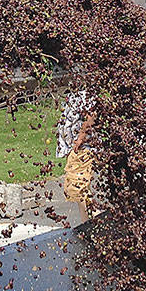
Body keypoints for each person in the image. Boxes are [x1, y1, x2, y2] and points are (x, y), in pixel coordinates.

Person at [56, 92, 95, 222]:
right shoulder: (75, 93)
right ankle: (90, 220)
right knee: (79, 188)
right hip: (75, 147)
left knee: (77, 186)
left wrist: (80, 138)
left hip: (82, 148)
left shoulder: (85, 95)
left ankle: (89, 221)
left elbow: (90, 118)